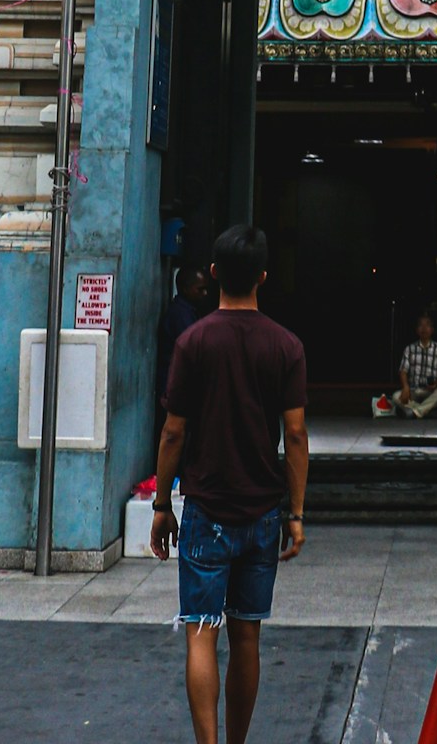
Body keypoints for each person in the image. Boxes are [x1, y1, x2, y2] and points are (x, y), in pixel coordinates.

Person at [153, 225, 308, 744]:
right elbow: (296, 434)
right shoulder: (286, 346)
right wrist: (297, 512)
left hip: (206, 508)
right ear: (264, 276)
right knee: (247, 637)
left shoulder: (193, 341)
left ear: (214, 273)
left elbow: (175, 430)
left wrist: (160, 503)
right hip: (262, 510)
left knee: (201, 632)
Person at [157, 260, 212, 425]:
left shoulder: (187, 312)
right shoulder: (180, 316)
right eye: (200, 289)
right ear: (186, 288)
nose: (205, 294)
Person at [374, 312, 437, 422]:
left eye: (427, 325)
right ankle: (426, 411)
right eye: (421, 325)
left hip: (431, 391)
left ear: (432, 329)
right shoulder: (410, 349)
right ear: (417, 330)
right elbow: (403, 370)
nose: (424, 328)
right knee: (396, 396)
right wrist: (405, 387)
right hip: (413, 390)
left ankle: (416, 412)